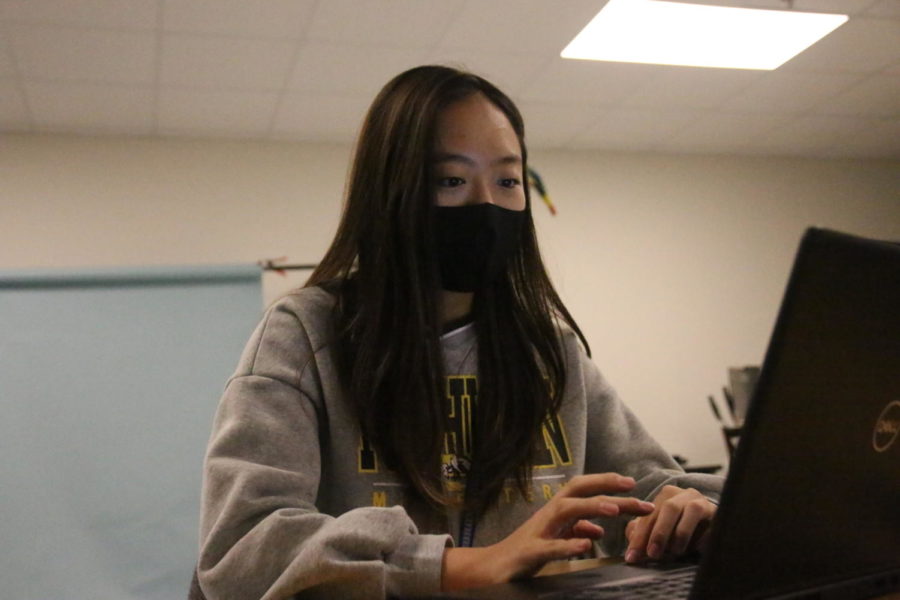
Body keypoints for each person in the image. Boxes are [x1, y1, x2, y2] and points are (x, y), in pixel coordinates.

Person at [197, 65, 722, 600]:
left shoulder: (548, 351)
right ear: (392, 193)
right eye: (450, 180)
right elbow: (243, 547)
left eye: (507, 181)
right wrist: (458, 565)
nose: (486, 204)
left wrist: (681, 513)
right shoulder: (305, 337)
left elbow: (646, 487)